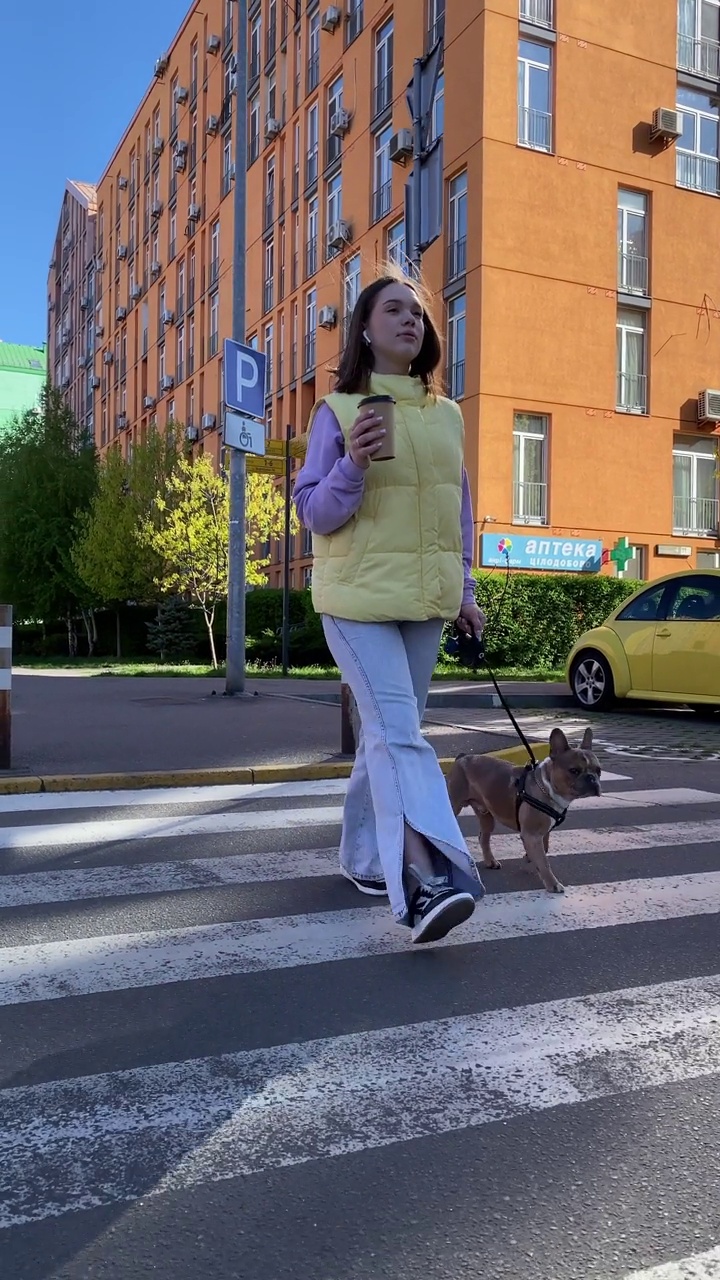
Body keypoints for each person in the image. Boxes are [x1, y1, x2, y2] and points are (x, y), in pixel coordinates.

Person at [293, 270, 486, 944]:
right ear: (366, 330)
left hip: (424, 603)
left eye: (418, 313)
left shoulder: (449, 415)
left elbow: (456, 515)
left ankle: (360, 856)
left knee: (383, 734)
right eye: (394, 311)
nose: (411, 321)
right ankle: (428, 877)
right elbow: (315, 512)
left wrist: (464, 593)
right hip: (356, 603)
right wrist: (351, 465)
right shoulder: (338, 412)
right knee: (402, 734)